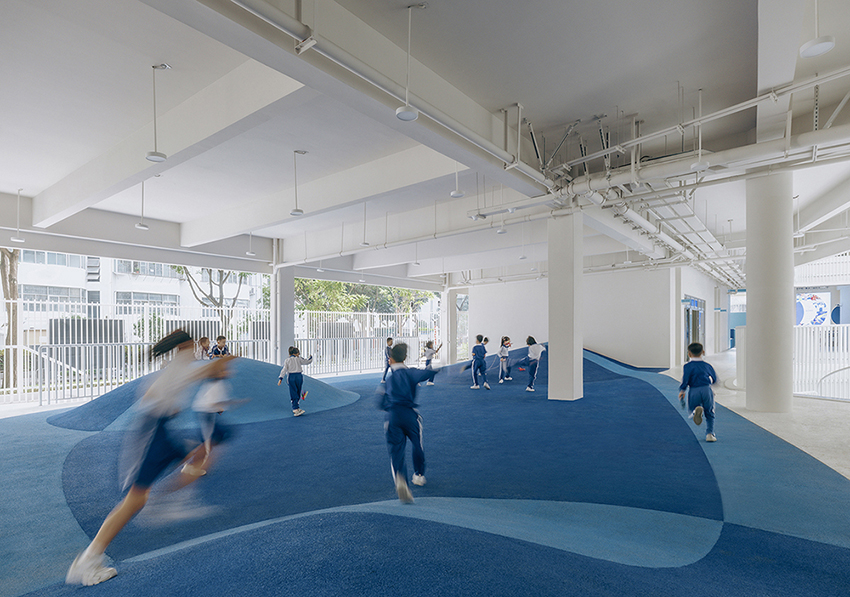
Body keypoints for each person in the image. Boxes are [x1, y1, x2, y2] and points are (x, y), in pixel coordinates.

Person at [66, 330, 235, 586]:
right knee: (135, 499)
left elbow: (150, 395)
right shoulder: (182, 365)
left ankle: (171, 503)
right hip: (153, 432)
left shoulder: (175, 366)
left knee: (196, 456)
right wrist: (230, 358)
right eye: (198, 343)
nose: (203, 345)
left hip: (160, 428)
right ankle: (89, 559)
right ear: (187, 345)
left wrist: (167, 402)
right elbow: (214, 367)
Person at [378, 342, 438, 503]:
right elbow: (427, 373)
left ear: (390, 360)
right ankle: (419, 474)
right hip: (410, 415)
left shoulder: (389, 380)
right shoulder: (411, 373)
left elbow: (381, 403)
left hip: (393, 416)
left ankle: (401, 479)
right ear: (405, 358)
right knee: (417, 445)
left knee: (396, 450)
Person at [678, 342, 718, 442]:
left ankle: (695, 411)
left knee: (691, 409)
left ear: (689, 354)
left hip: (694, 390)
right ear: (703, 352)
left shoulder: (687, 366)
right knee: (710, 412)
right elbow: (714, 379)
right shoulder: (707, 365)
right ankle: (710, 434)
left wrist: (682, 390)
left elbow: (685, 380)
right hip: (706, 389)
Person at [278, 346, 313, 416]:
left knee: (293, 391)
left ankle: (296, 407)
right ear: (297, 353)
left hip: (291, 377)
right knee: (298, 391)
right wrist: (311, 358)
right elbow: (307, 361)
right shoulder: (299, 359)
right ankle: (295, 408)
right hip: (299, 376)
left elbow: (284, 370)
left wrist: (280, 378)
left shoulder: (287, 360)